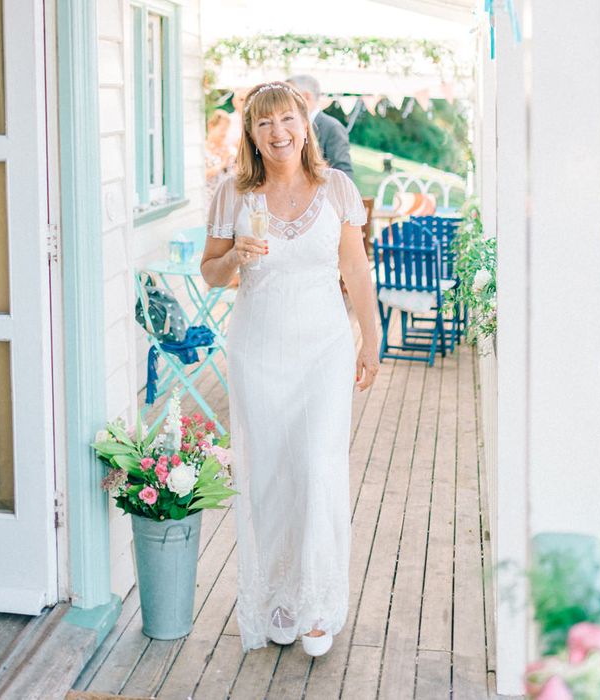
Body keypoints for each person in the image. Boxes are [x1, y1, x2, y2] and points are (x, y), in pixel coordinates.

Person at [201, 81, 379, 657]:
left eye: (287, 121)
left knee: (317, 467)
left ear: (305, 126)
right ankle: (278, 600)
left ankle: (320, 606)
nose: (278, 133)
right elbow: (211, 273)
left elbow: (355, 270)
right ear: (251, 134)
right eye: (264, 124)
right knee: (270, 473)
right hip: (257, 348)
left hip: (324, 349)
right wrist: (235, 257)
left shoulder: (337, 190)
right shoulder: (234, 194)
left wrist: (370, 341)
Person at [287, 74, 354, 180]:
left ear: (306, 96)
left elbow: (344, 174)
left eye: (289, 96)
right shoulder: (289, 126)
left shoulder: (332, 127)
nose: (284, 101)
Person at [204, 109, 236, 203]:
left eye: (227, 129)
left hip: (227, 199)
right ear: (211, 127)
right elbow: (202, 176)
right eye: (222, 129)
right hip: (209, 200)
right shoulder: (203, 150)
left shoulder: (229, 149)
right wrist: (222, 164)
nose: (225, 133)